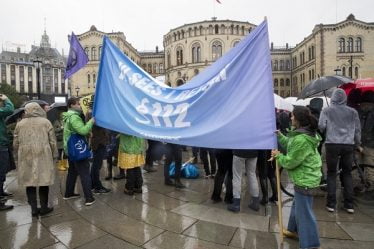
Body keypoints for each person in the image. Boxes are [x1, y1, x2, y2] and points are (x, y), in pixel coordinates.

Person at [272, 106, 322, 249]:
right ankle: (293, 230)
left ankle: (311, 244)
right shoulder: (302, 134)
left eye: (293, 116)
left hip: (305, 179)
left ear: (299, 119)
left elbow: (290, 162)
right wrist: (280, 136)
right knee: (297, 205)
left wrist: (278, 156)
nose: (291, 118)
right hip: (307, 178)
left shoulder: (302, 139)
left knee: (305, 213)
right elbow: (291, 143)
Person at [319, 88, 361, 214]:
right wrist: (358, 143)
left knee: (331, 173)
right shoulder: (353, 112)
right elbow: (357, 130)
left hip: (332, 143)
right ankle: (349, 204)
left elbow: (321, 126)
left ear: (332, 98)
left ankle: (331, 203)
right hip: (348, 144)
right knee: (347, 173)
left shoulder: (327, 110)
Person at [13, 102, 58, 216]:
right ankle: (44, 208)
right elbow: (52, 141)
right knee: (44, 180)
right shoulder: (46, 122)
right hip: (43, 154)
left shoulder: (20, 124)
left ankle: (33, 209)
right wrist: (54, 154)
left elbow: (15, 143)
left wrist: (18, 154)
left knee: (29, 182)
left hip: (26, 156)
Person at [63, 97, 95, 206]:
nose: (80, 106)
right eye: (77, 104)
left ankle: (68, 193)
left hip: (70, 148)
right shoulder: (74, 117)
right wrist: (91, 121)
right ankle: (89, 198)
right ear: (71, 105)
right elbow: (82, 130)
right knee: (84, 173)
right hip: (77, 149)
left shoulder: (67, 116)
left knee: (72, 171)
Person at [356, 91, 374, 196]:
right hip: (371, 145)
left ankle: (360, 185)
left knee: (357, 166)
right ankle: (370, 188)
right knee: (370, 167)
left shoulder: (358, 112)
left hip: (359, 143)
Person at [0, 94, 14, 211]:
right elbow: (10, 109)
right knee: (0, 171)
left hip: (2, 144)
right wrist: (6, 99)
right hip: (0, 145)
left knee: (2, 170)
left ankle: (1, 192)